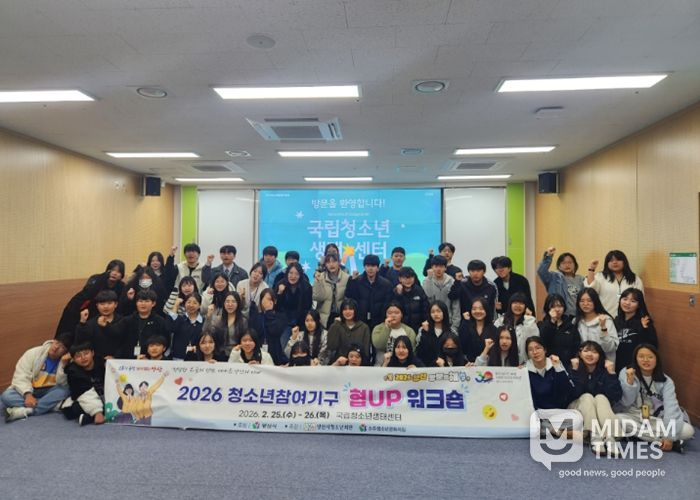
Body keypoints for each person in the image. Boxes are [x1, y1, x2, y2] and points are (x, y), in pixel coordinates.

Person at [616, 344, 694, 452]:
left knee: (688, 430)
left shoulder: (666, 381)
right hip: (633, 415)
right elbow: (626, 402)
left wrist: (669, 436)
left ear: (656, 359)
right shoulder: (626, 372)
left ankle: (639, 437)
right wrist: (630, 383)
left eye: (650, 357)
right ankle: (660, 441)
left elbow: (671, 408)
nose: (646, 360)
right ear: (635, 359)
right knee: (617, 419)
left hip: (655, 419)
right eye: (641, 356)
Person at [568, 341, 623, 455]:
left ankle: (609, 437)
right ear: (580, 353)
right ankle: (595, 435)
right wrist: (575, 371)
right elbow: (572, 394)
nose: (590, 354)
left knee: (601, 397)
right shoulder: (574, 367)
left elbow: (616, 396)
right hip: (576, 408)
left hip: (599, 410)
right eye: (586, 351)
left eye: (594, 352)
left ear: (600, 355)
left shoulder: (605, 369)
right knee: (587, 396)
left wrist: (611, 373)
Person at [2, 335, 72, 423]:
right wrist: (28, 395)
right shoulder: (33, 353)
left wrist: (63, 365)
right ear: (53, 341)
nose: (56, 347)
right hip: (30, 388)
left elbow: (63, 384)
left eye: (62, 347)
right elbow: (21, 375)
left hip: (49, 391)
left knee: (64, 391)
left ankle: (27, 411)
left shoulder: (66, 362)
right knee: (6, 396)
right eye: (57, 342)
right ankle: (49, 406)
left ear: (66, 352)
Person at [55, 259, 125, 339]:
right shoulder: (96, 278)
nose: (115, 273)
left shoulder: (122, 286)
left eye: (118, 272)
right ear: (107, 271)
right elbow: (89, 293)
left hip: (103, 314)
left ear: (121, 275)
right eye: (112, 270)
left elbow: (121, 304)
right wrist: (103, 277)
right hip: (82, 308)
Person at [586, 250, 645, 317]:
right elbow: (590, 288)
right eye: (611, 260)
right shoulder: (600, 276)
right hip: (605, 317)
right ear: (607, 263)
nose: (615, 262)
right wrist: (591, 269)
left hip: (628, 318)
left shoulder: (635, 279)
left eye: (618, 260)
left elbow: (640, 299)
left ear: (624, 262)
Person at [61, 342, 106, 426]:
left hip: (104, 394)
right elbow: (83, 393)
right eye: (78, 356)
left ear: (92, 353)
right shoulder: (73, 372)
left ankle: (88, 417)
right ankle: (96, 414)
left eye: (86, 353)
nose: (83, 358)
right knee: (71, 410)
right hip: (84, 397)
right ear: (73, 359)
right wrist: (97, 412)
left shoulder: (101, 363)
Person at [614, 288, 658, 372]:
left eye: (633, 301)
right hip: (617, 363)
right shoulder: (616, 320)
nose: (627, 303)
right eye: (625, 299)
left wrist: (644, 329)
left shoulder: (644, 321)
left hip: (635, 366)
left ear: (639, 305)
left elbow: (652, 346)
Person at [345, 254, 394, 330]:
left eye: (373, 266)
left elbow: (387, 304)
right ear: (364, 267)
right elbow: (350, 298)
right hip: (360, 322)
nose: (370, 268)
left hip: (379, 323)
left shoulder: (386, 284)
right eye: (368, 266)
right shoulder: (357, 281)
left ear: (377, 268)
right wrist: (352, 282)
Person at [118, 290, 171, 359]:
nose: (143, 304)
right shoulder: (127, 320)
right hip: (128, 359)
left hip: (151, 360)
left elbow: (166, 341)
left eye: (147, 301)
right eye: (140, 301)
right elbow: (117, 336)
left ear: (153, 303)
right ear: (136, 303)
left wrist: (153, 357)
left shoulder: (160, 321)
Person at [525, 336, 574, 410]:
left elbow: (567, 390)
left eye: (538, 348)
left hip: (561, 409)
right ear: (528, 354)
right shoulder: (525, 370)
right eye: (530, 350)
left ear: (545, 350)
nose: (535, 352)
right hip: (538, 411)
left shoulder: (555, 364)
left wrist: (558, 368)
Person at [74, 290, 125, 361]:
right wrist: (82, 322)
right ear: (97, 305)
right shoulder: (91, 323)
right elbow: (81, 343)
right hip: (97, 362)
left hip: (119, 361)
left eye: (109, 303)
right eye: (102, 303)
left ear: (116, 304)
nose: (106, 306)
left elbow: (126, 342)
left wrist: (115, 357)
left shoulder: (123, 321)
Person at [274, 262, 313, 351]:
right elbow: (276, 307)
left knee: (301, 348)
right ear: (287, 273)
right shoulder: (280, 284)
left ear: (300, 275)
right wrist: (279, 293)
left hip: (301, 322)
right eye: (291, 273)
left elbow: (308, 307)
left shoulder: (306, 286)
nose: (293, 276)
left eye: (296, 274)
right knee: (283, 347)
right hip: (284, 323)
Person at [574, 288, 619, 364]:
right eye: (582, 301)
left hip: (604, 364)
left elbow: (611, 348)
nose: (585, 304)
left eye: (589, 300)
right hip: (584, 365)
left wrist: (603, 328)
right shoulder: (576, 321)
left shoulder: (606, 320)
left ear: (595, 301)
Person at [537, 247, 585, 316]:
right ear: (559, 266)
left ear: (575, 265)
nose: (567, 265)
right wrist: (548, 256)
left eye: (570, 262)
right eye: (563, 263)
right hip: (558, 315)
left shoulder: (580, 279)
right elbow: (541, 271)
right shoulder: (554, 277)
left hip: (577, 316)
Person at [493, 293, 539, 363]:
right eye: (515, 303)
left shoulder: (530, 322)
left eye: (521, 303)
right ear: (510, 304)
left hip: (524, 363)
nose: (518, 306)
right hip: (503, 362)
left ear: (525, 306)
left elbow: (535, 343)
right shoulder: (500, 322)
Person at [538, 293, 580, 368]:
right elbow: (543, 343)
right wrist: (552, 322)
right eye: (553, 306)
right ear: (548, 309)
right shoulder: (542, 325)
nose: (557, 309)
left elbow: (576, 345)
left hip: (568, 365)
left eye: (560, 306)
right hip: (548, 365)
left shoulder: (570, 325)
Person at [422, 255, 461, 333]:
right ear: (432, 267)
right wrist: (429, 279)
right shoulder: (426, 281)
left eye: (441, 266)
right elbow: (428, 295)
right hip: (432, 321)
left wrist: (455, 326)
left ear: (445, 268)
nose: (438, 269)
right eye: (436, 266)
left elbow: (456, 305)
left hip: (449, 322)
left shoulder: (452, 281)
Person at [371, 301, 417, 367]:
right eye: (389, 313)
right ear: (385, 314)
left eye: (396, 313)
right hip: (381, 366)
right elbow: (379, 345)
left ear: (402, 314)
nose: (393, 315)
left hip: (404, 367)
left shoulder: (409, 331)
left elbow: (412, 352)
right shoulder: (378, 328)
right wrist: (387, 328)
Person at [326, 298, 371, 364]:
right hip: (339, 363)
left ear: (355, 311)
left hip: (358, 365)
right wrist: (335, 324)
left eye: (350, 309)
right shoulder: (337, 325)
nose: (347, 312)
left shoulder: (364, 328)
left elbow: (366, 351)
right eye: (345, 309)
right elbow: (331, 346)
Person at [203, 291, 247, 358]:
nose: (230, 304)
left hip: (237, 354)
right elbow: (206, 332)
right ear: (224, 303)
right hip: (220, 354)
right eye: (227, 301)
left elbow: (245, 339)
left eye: (233, 302)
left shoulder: (243, 321)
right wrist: (209, 316)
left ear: (238, 303)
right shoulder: (218, 319)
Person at [248, 289, 286, 365]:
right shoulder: (257, 316)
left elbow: (275, 331)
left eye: (269, 299)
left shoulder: (280, 316)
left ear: (274, 301)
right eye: (264, 299)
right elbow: (255, 332)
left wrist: (269, 312)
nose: (266, 302)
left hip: (275, 352)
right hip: (259, 352)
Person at [312, 253, 349, 328]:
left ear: (339, 262)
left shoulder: (346, 278)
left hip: (342, 316)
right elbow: (317, 297)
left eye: (334, 261)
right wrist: (318, 282)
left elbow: (348, 299)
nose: (331, 264)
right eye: (328, 262)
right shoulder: (320, 277)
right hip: (324, 317)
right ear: (325, 265)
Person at [458, 297, 498, 362]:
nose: (477, 311)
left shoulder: (494, 329)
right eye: (474, 309)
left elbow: (494, 352)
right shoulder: (465, 326)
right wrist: (466, 322)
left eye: (481, 308)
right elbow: (462, 348)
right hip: (468, 365)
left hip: (488, 365)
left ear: (486, 310)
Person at [392, 267, 430, 334]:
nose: (408, 280)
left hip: (418, 328)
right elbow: (394, 310)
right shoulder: (396, 292)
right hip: (401, 329)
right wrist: (399, 295)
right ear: (400, 279)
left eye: (411, 277)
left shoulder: (419, 290)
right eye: (405, 278)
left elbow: (426, 309)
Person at [167, 293, 204, 360]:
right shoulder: (179, 319)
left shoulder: (204, 321)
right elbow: (171, 327)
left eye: (195, 303)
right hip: (178, 358)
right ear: (185, 304)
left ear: (199, 305)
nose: (191, 305)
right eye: (188, 302)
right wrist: (176, 305)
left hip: (197, 359)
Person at [416, 300, 450, 367]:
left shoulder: (451, 330)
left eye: (438, 311)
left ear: (444, 312)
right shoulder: (423, 329)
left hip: (445, 368)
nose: (436, 314)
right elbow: (419, 352)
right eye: (433, 312)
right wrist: (426, 333)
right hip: (427, 367)